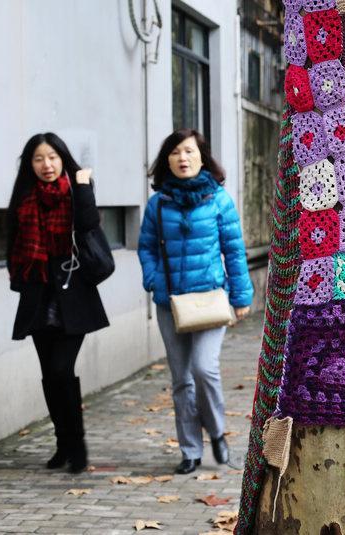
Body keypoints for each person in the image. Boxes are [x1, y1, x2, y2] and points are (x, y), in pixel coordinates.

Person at [138, 129, 253, 474]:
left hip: (210, 300)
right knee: (182, 380)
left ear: (202, 157)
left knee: (204, 369)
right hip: (170, 303)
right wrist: (153, 280)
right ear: (167, 161)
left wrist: (241, 296)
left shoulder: (218, 199)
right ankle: (190, 450)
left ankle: (216, 432)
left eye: (188, 151)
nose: (182, 158)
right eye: (175, 152)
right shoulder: (158, 204)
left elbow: (234, 250)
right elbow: (146, 247)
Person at [6, 133, 110, 473]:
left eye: (52, 157)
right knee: (49, 377)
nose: (46, 165)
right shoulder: (24, 197)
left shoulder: (76, 190)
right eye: (38, 159)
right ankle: (62, 443)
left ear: (62, 159)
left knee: (61, 369)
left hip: (72, 293)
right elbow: (11, 240)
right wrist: (19, 278)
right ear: (30, 164)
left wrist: (83, 186)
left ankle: (77, 445)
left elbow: (88, 225)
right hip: (38, 294)